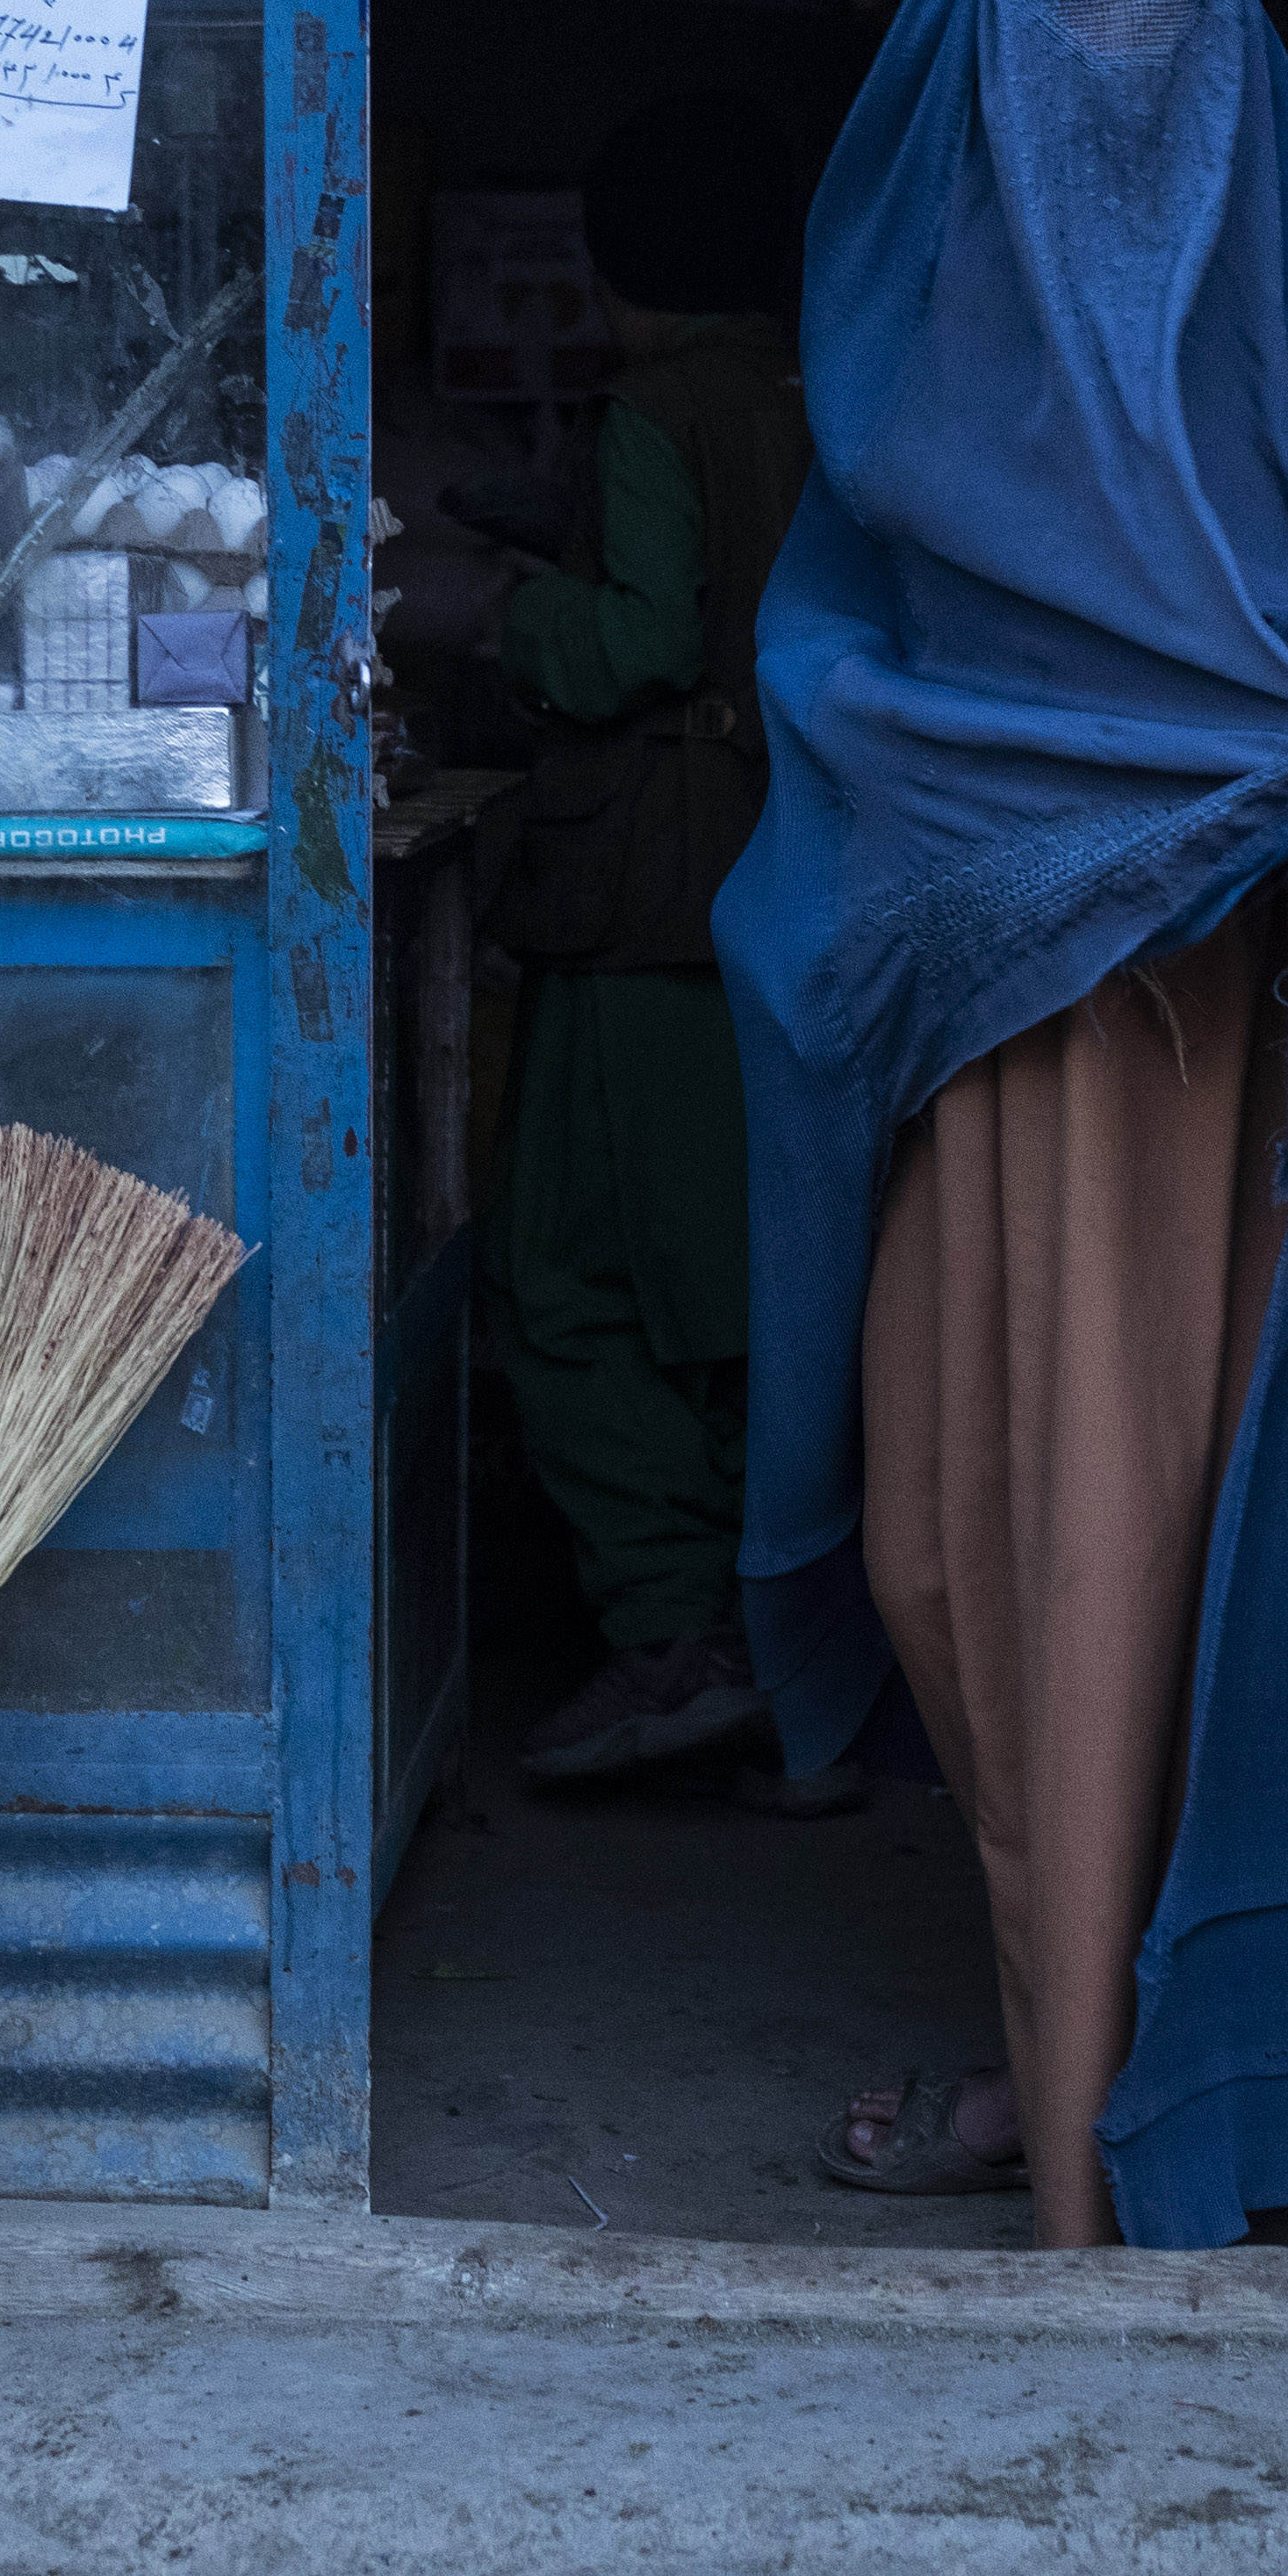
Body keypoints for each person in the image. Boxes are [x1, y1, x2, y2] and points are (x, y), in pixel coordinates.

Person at [721, 0, 1288, 2249]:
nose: (1110, 46)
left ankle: (1112, 2097)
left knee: (1142, 1554)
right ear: (969, 22)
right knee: (953, 1557)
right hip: (996, 1040)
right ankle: (1073, 2054)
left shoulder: (1275, 285)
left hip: (1221, 1051)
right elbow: (844, 668)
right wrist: (1012, 819)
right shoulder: (915, 300)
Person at [400, 96, 821, 1785]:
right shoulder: (820, 384)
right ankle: (774, 1638)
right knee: (735, 1289)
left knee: (565, 1278)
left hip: (648, 893)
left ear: (611, 258)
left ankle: (674, 1638)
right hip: (788, 885)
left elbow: (640, 640)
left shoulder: (659, 402)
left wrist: (500, 610)